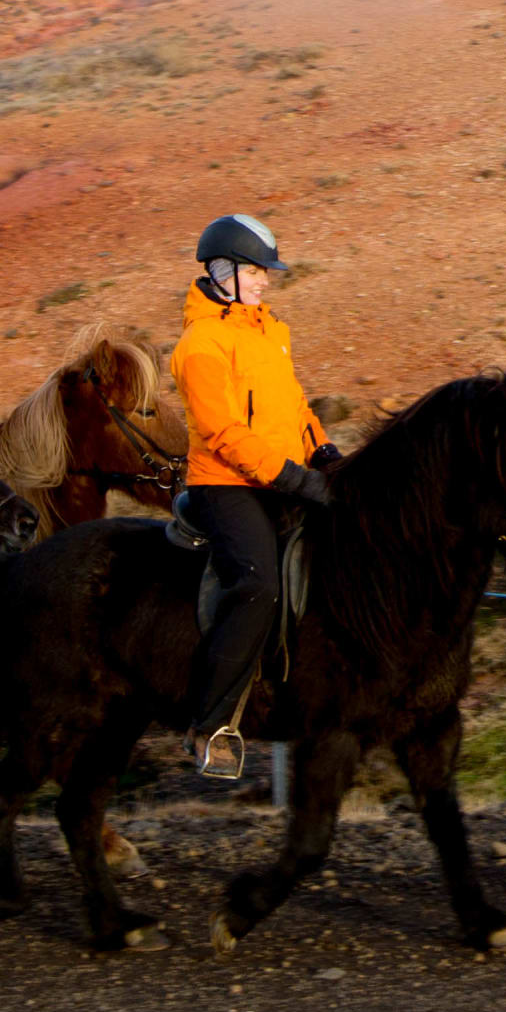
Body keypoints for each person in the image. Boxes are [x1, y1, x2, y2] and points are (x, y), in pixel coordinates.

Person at [169, 212, 334, 780]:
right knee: (259, 585)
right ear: (223, 272)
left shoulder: (270, 331)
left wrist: (325, 454)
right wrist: (294, 479)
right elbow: (224, 433)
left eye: (267, 272)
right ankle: (211, 725)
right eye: (257, 272)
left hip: (283, 471)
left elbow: (295, 408)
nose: (266, 281)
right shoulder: (200, 343)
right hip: (226, 484)